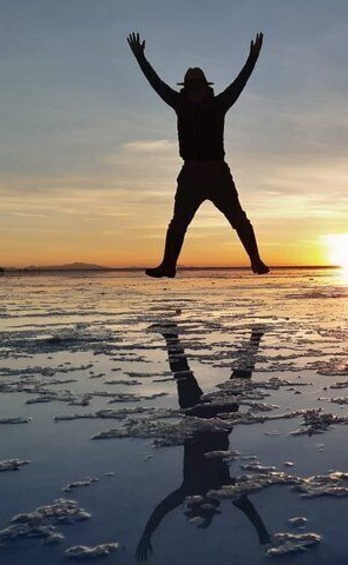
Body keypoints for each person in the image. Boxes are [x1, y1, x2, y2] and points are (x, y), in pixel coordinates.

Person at [127, 32, 270, 278]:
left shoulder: (219, 105)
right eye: (190, 88)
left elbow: (240, 83)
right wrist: (141, 58)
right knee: (178, 223)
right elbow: (156, 83)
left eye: (197, 88)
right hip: (190, 173)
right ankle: (168, 265)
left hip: (217, 173)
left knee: (238, 219)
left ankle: (256, 260)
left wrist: (252, 58)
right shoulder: (179, 104)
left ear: (205, 89)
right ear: (186, 90)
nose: (194, 92)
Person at [136, 323, 271, 561]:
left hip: (203, 420)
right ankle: (252, 336)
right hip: (214, 422)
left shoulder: (196, 489)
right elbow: (248, 510)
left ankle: (173, 334)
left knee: (194, 376)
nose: (191, 506)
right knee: (197, 376)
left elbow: (163, 509)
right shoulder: (216, 489)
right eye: (194, 509)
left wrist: (147, 534)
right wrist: (262, 533)